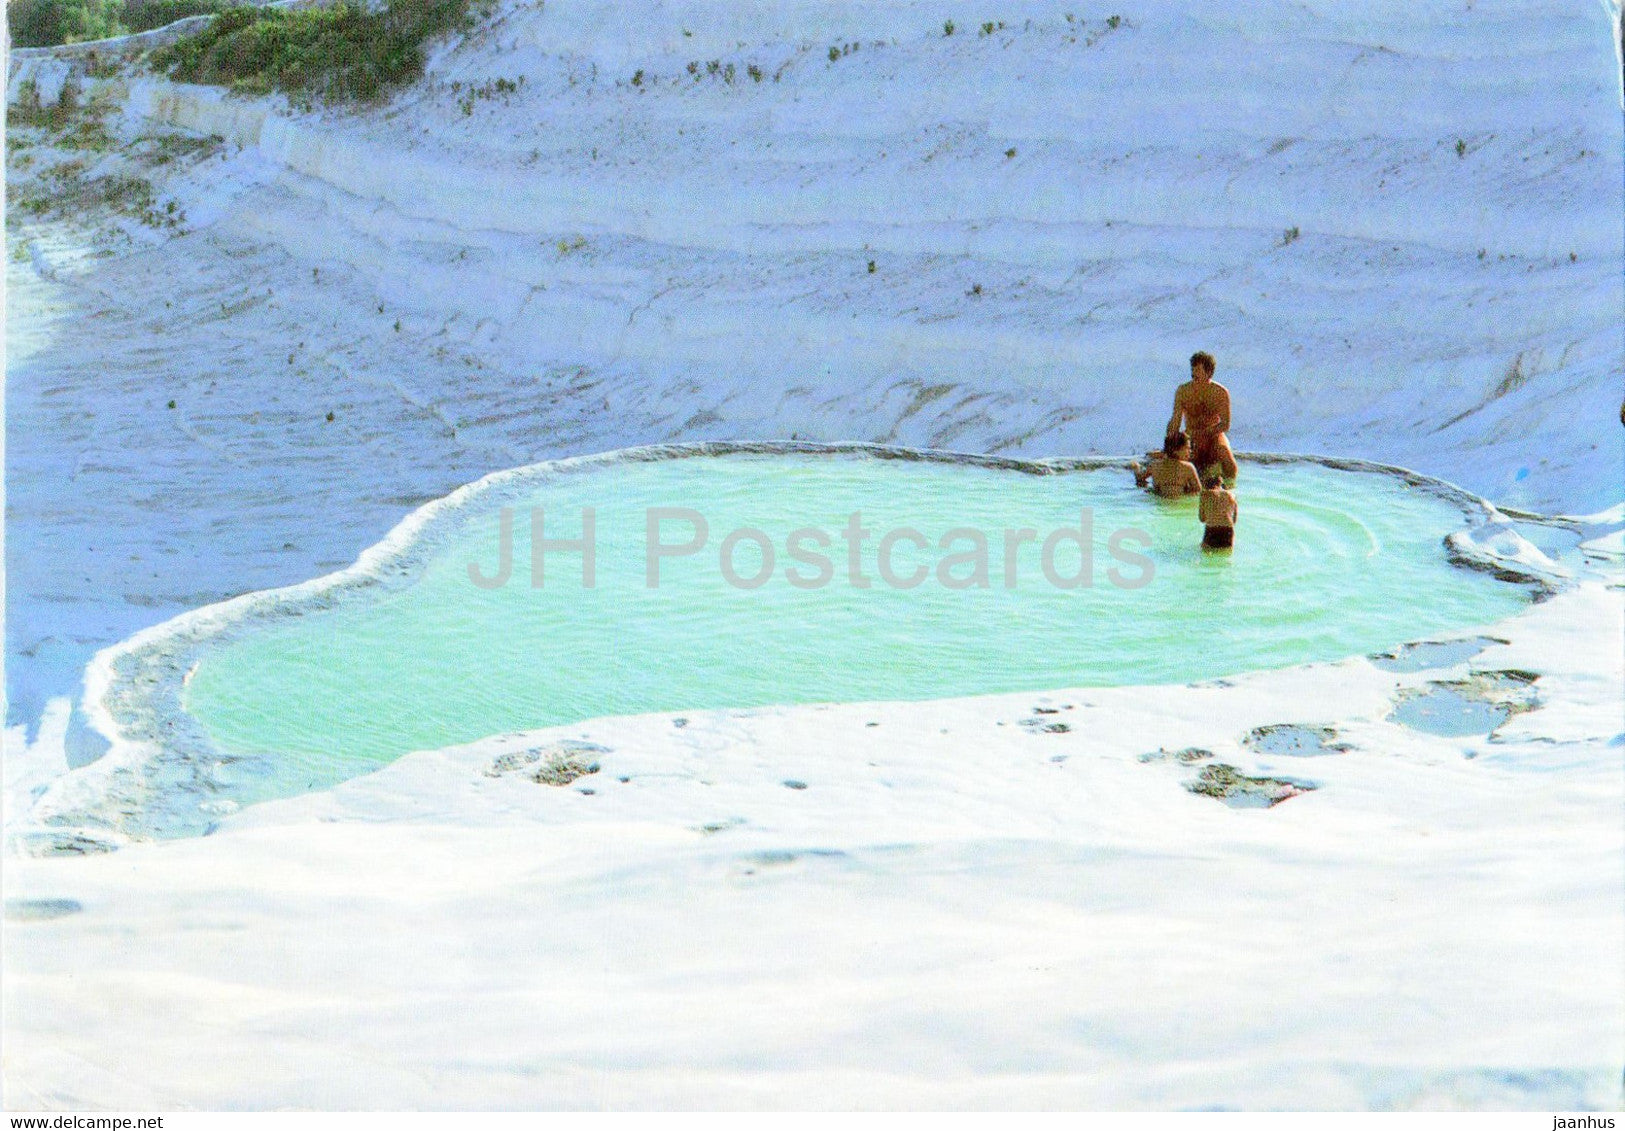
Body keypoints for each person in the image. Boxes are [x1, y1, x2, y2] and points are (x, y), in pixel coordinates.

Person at [1167, 351, 1238, 483]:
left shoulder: (1220, 393)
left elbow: (1225, 424)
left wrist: (1204, 433)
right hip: (1191, 436)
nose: (1194, 374)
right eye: (1193, 369)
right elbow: (1175, 420)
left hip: (1213, 436)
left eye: (1198, 370)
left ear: (1209, 372)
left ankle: (1228, 492)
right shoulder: (1183, 391)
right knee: (1180, 461)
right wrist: (1170, 445)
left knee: (1227, 458)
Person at [1132, 431, 1202, 497]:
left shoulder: (1155, 465)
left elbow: (1140, 479)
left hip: (1159, 501)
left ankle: (1136, 467)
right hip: (1178, 502)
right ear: (1176, 450)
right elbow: (1198, 491)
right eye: (1187, 448)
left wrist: (1136, 469)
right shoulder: (1188, 468)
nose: (1190, 451)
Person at [1198, 474, 1238, 550]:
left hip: (1212, 529)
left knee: (1206, 553)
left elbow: (1202, 519)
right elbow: (1234, 521)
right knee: (1226, 553)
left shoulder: (1205, 495)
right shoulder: (1232, 495)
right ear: (1221, 484)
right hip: (1228, 530)